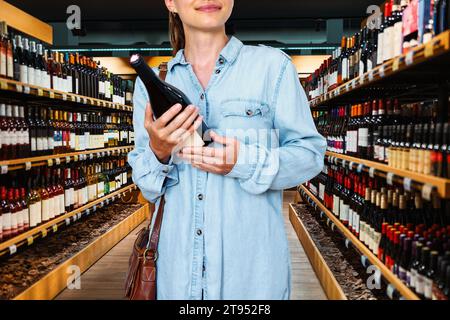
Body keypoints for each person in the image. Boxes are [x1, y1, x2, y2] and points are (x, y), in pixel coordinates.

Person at [128, 0, 327, 300]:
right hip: (178, 282)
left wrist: (242, 162)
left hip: (253, 284)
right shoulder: (154, 83)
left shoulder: (272, 68)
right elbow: (147, 188)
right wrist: (158, 151)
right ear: (171, 2)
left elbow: (310, 156)